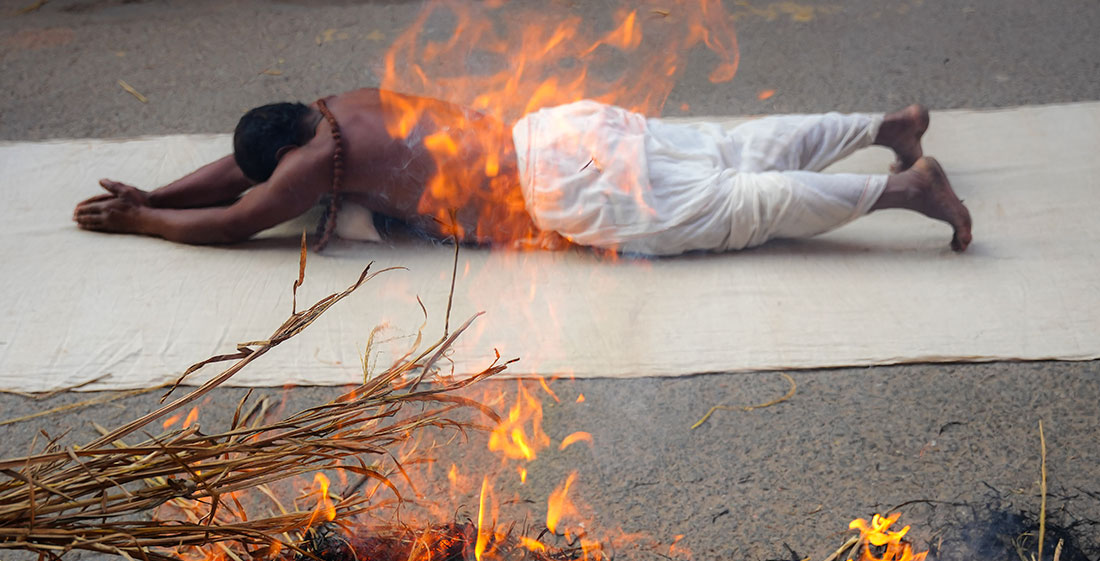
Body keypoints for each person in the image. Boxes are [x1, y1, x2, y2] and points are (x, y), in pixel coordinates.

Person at [73, 88, 972, 255]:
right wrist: (156, 191)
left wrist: (144, 221)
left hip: (559, 189)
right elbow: (237, 169)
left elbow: (239, 215)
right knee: (725, 147)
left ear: (294, 158)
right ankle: (886, 125)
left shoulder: (313, 167)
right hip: (558, 129)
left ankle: (903, 189)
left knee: (726, 208)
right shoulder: (335, 108)